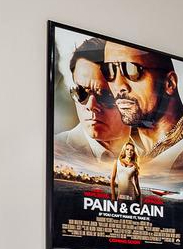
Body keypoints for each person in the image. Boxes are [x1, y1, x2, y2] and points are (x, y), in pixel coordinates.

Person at [105, 43, 183, 184]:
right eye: (109, 71)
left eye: (132, 70)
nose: (119, 86)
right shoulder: (123, 146)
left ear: (169, 83)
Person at [52, 37, 130, 172]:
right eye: (80, 92)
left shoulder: (158, 154)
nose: (91, 105)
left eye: (106, 95)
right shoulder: (54, 150)